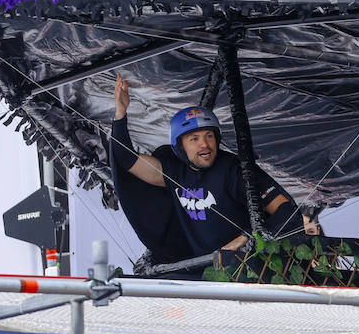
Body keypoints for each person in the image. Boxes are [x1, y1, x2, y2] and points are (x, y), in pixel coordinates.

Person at [109, 75, 301, 266]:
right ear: (179, 146)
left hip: (249, 266)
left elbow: (286, 211)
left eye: (209, 135)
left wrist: (244, 240)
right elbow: (127, 160)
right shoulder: (174, 171)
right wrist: (120, 113)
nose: (205, 144)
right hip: (206, 270)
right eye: (194, 138)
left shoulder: (234, 170)